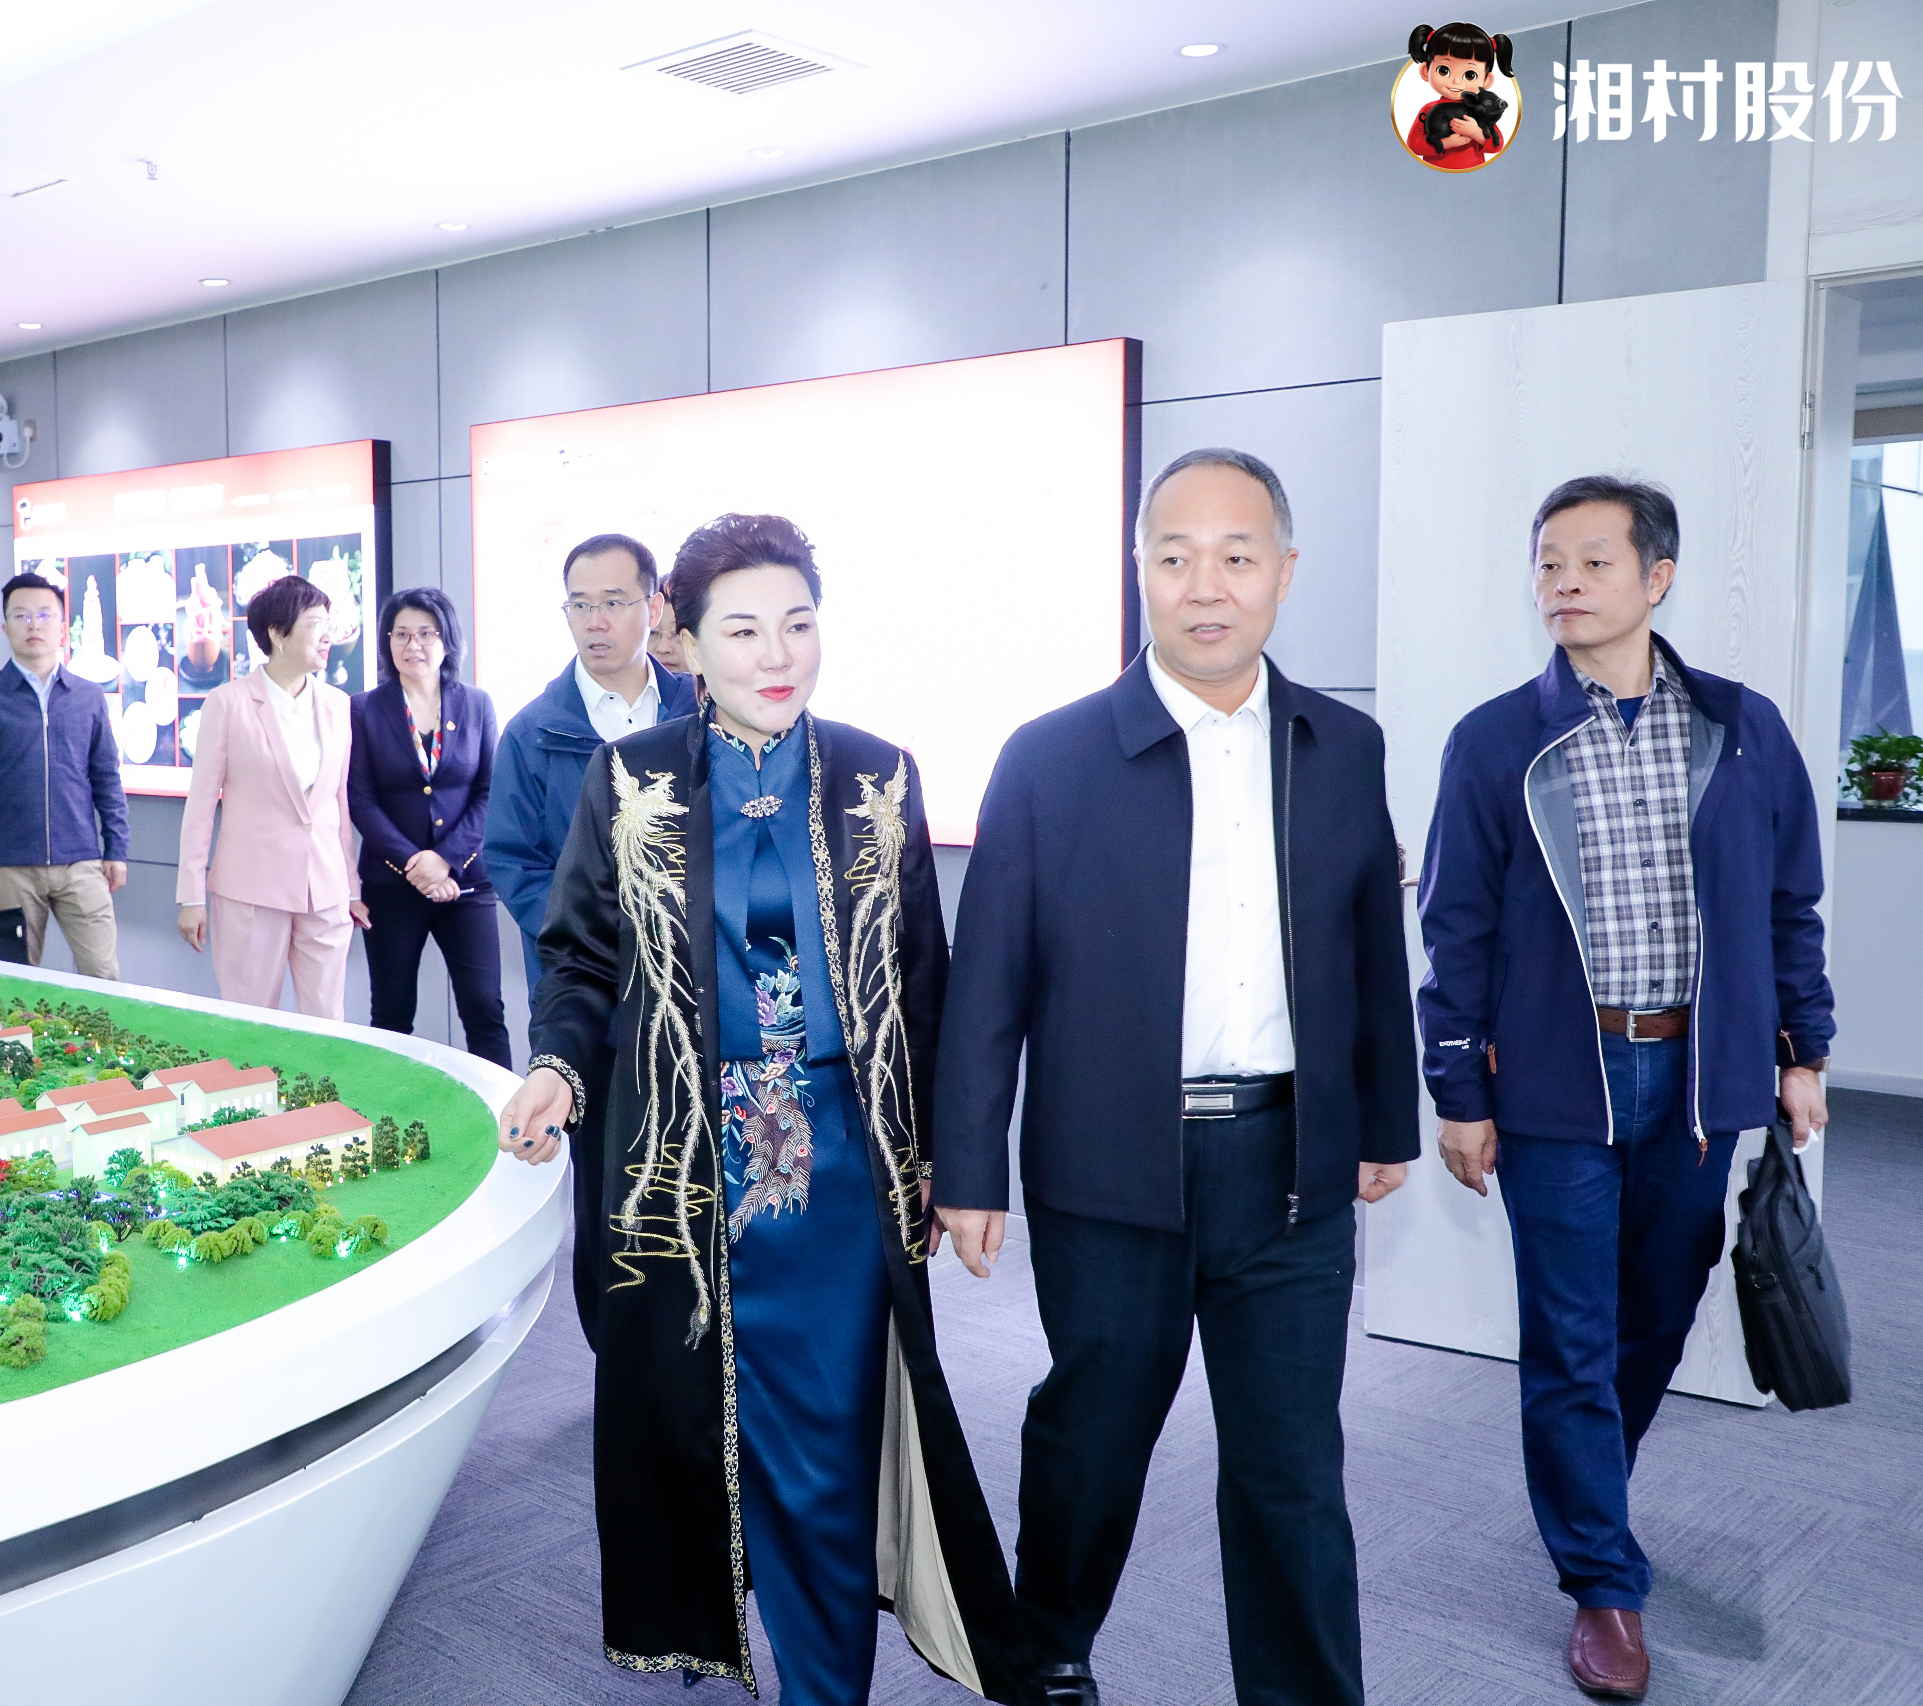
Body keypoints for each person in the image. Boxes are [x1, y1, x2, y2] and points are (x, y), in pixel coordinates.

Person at [501, 512, 1026, 1706]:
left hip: (840, 1168)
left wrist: (954, 1164)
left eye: (797, 622)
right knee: (700, 1434)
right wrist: (557, 1066)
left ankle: (823, 1688)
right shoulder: (629, 779)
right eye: (742, 629)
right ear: (685, 643)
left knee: (827, 1451)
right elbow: (580, 956)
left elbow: (926, 983)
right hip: (683, 1169)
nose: (776, 652)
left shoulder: (878, 775)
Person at [936, 448, 1416, 1706]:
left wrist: (1384, 1117)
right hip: (1110, 1165)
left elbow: (1372, 944)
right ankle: (1049, 1646)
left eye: (1237, 556)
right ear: (1138, 569)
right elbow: (988, 984)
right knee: (1092, 1433)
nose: (1207, 585)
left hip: (1289, 1162)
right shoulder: (1049, 756)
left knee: (1291, 1464)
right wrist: (969, 1168)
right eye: (1175, 556)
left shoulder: (1342, 744)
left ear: (1284, 572)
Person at [1416, 475, 1832, 1702]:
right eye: (1548, 562)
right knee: (1571, 1335)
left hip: (1699, 1078)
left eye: (1592, 561)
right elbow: (1454, 926)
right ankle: (1603, 1579)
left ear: (1657, 576)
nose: (1563, 583)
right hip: (1556, 1080)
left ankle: (1588, 1475)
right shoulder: (1494, 739)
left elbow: (1789, 902)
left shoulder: (1741, 727)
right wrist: (1456, 1086)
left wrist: (1801, 1048)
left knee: (1655, 1309)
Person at [486, 530, 696, 1343]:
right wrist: (602, 933)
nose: (595, 621)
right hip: (591, 1002)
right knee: (610, 1188)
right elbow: (513, 860)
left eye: (614, 602)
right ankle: (615, 1350)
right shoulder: (534, 731)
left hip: (694, 993)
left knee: (695, 1175)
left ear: (654, 606)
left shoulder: (701, 710)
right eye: (580, 604)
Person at [176, 573, 368, 1016]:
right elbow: (200, 806)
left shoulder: (338, 704)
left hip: (325, 890)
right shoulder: (227, 703)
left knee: (328, 1022)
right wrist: (191, 895)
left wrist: (351, 886)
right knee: (251, 1021)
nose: (328, 636)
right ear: (278, 634)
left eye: (328, 624)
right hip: (251, 890)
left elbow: (337, 805)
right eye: (316, 624)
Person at [347, 587, 508, 1065]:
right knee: (392, 1013)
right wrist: (416, 865)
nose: (412, 645)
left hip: (467, 883)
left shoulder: (477, 704)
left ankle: (505, 1109)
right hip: (392, 885)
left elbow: (489, 792)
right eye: (400, 634)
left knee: (485, 1009)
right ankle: (389, 1106)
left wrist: (446, 862)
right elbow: (361, 799)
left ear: (446, 640)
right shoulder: (363, 709)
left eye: (425, 634)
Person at [0, 574, 131, 980]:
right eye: (22, 616)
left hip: (81, 862)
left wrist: (117, 848)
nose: (34, 624)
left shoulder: (88, 696)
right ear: (5, 627)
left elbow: (106, 779)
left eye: (45, 615)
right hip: (9, 866)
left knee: (102, 973)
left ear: (63, 627)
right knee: (15, 980)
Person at [1403, 21, 1512, 170]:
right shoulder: (1429, 109)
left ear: (1486, 80)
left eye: (1469, 75)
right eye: (1444, 71)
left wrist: (1475, 132)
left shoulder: (1480, 110)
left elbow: (1496, 146)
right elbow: (1414, 144)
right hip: (1434, 173)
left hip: (1475, 173)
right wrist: (1446, 143)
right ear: (1425, 71)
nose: (1456, 81)